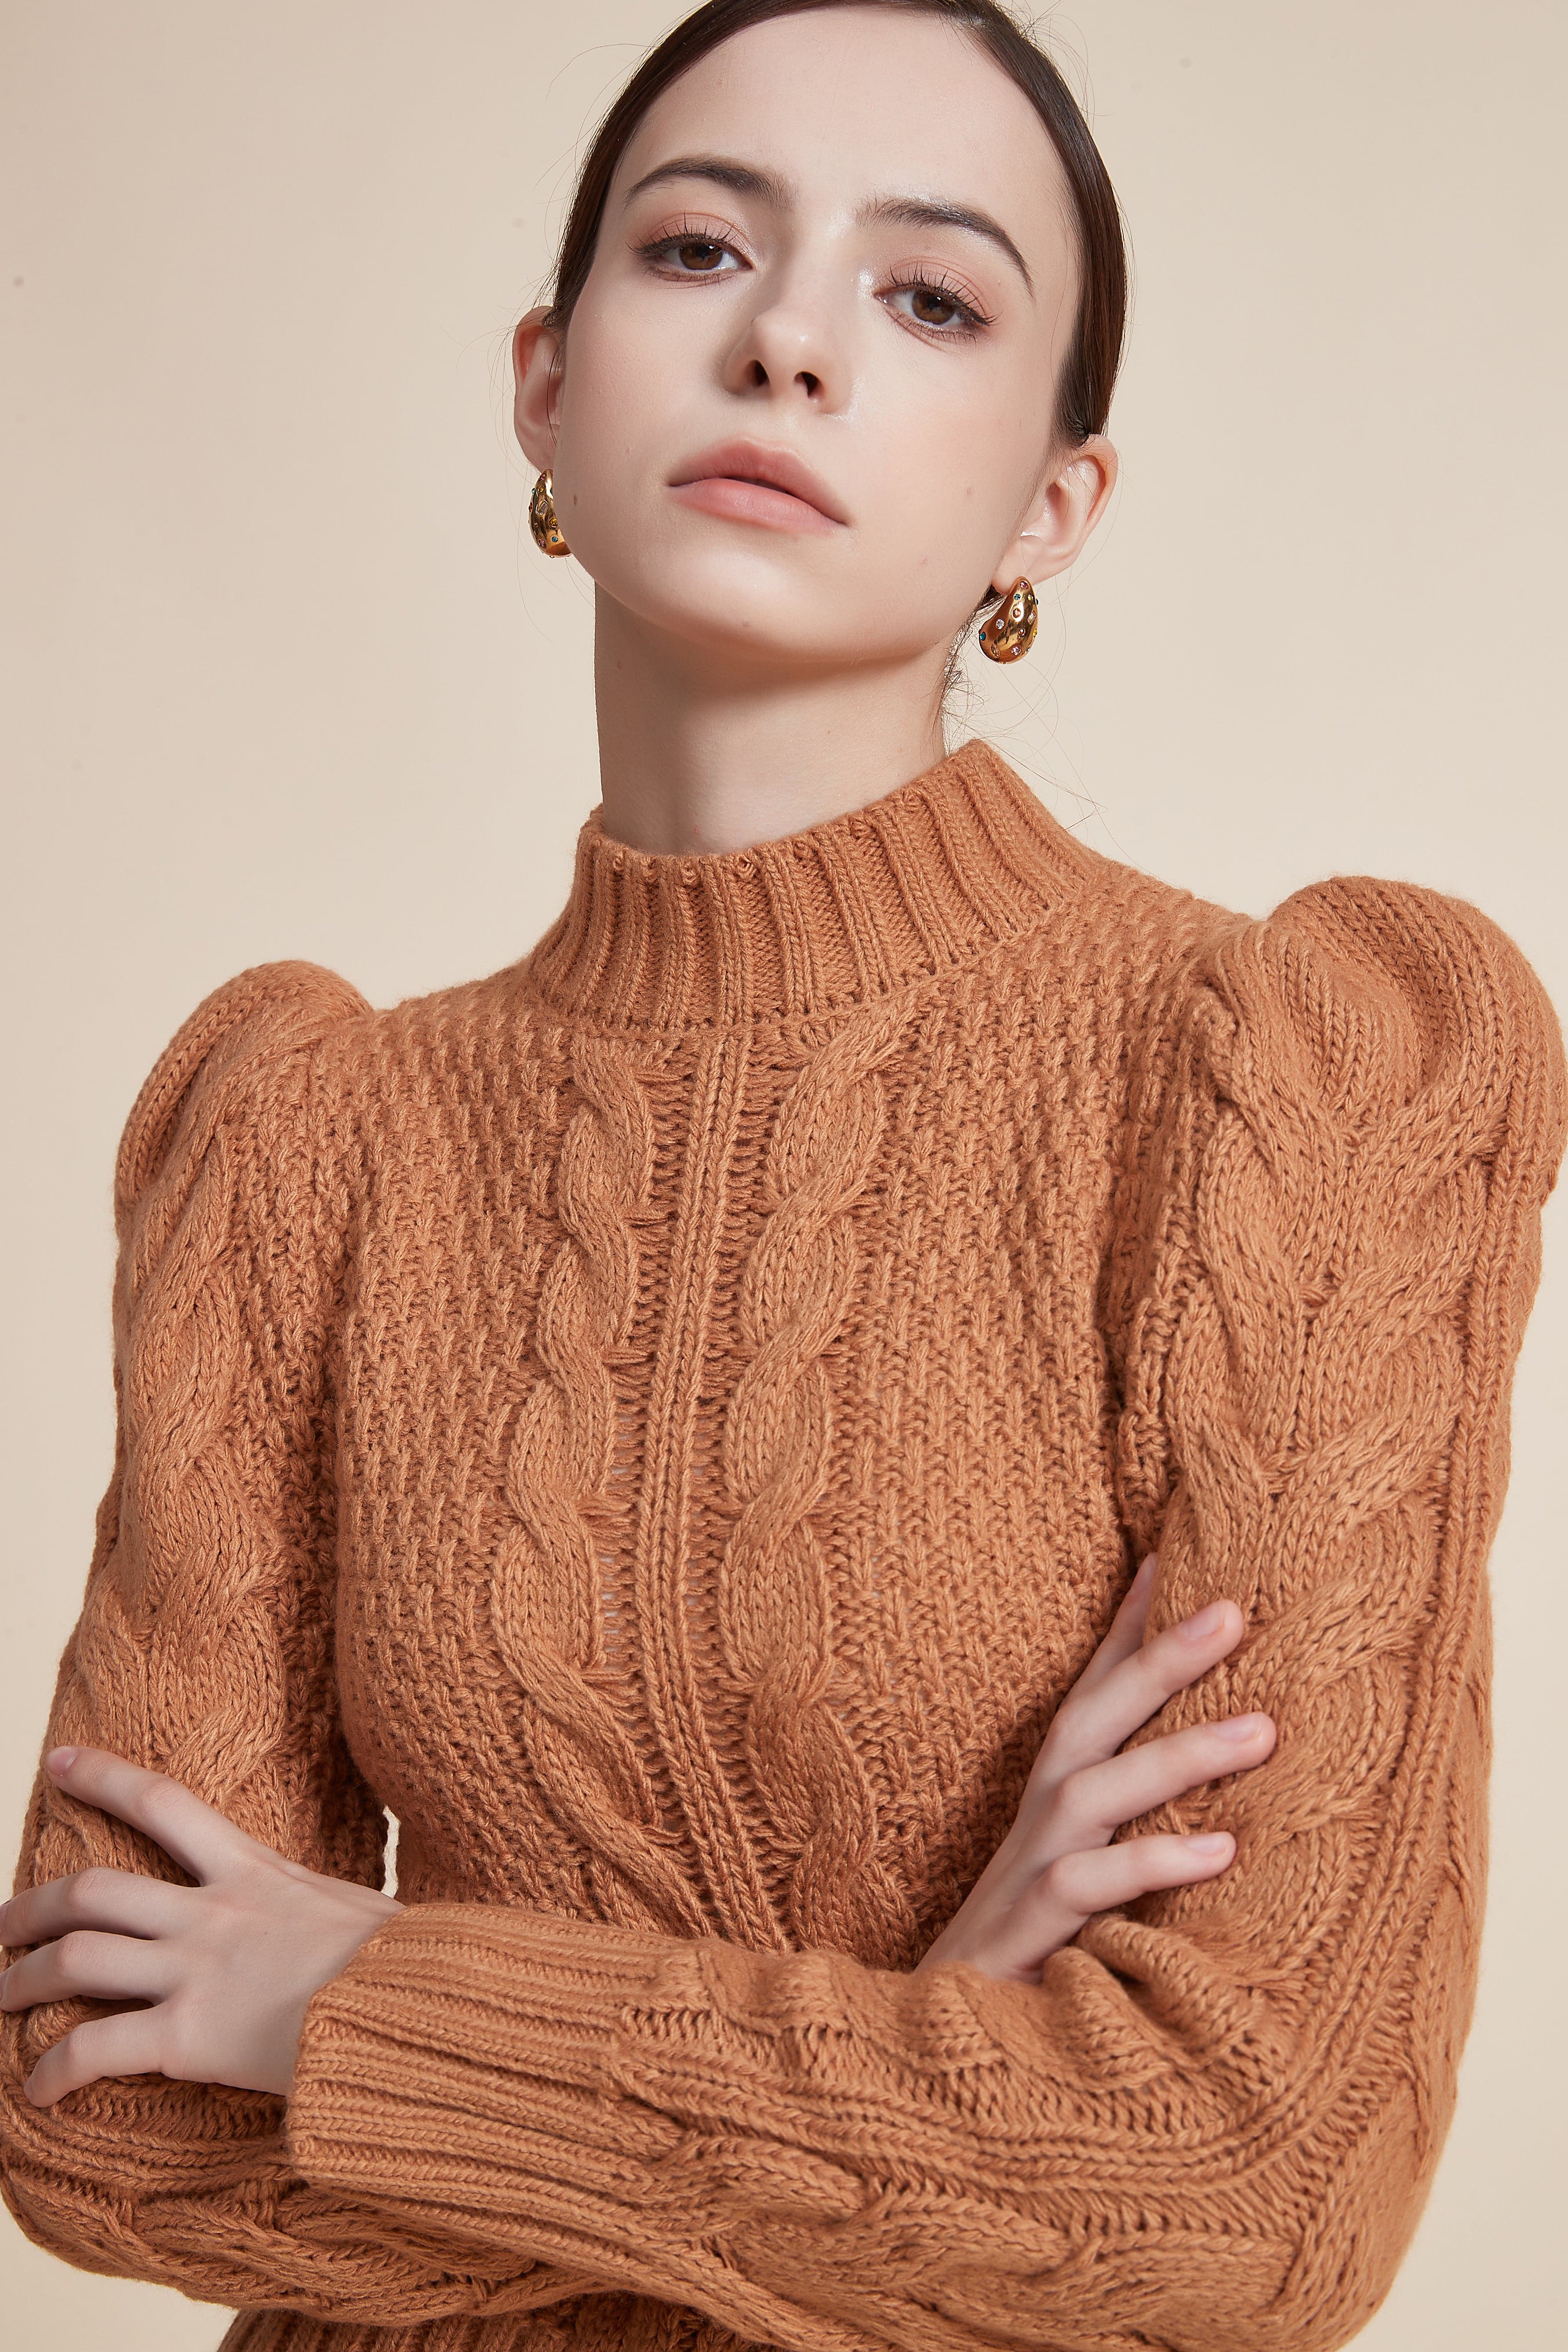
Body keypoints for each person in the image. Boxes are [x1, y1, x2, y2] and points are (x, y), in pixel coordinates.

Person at [1, 3, 1562, 2348]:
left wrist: (360, 2005)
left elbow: (1253, 2185)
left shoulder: (1274, 1087)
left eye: (930, 297)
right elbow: (99, 2115)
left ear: (1054, 506)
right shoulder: (310, 1139)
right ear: (548, 386)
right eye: (698, 247)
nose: (790, 344)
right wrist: (933, 2032)